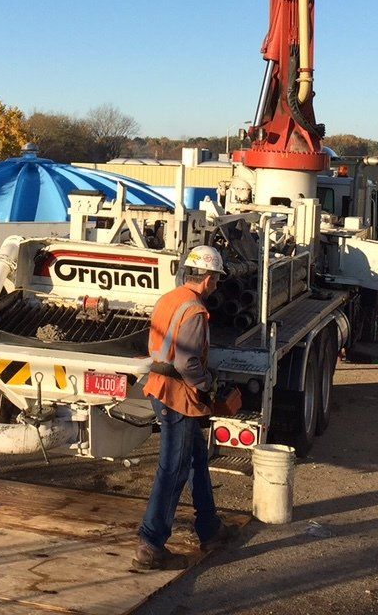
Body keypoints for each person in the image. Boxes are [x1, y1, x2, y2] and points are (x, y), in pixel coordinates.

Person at [133, 244, 233, 572]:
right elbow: (188, 363)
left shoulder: (169, 298)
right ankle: (150, 544)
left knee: (196, 460)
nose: (216, 284)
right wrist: (209, 385)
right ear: (207, 279)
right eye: (215, 278)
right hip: (177, 395)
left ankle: (210, 529)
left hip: (161, 387)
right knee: (173, 469)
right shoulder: (194, 311)